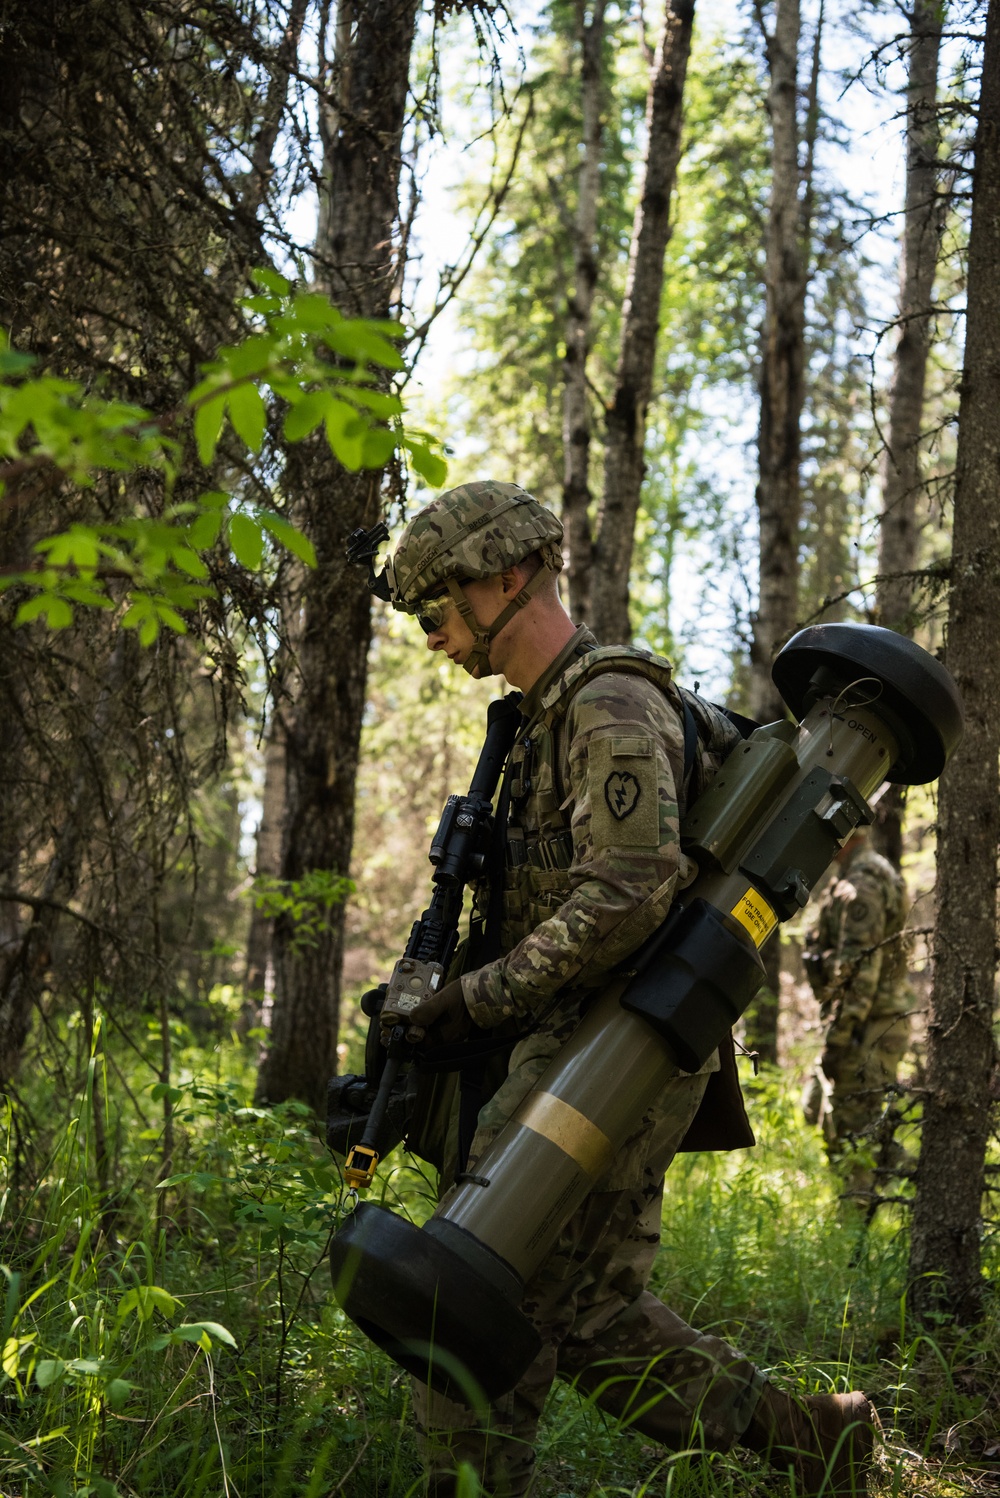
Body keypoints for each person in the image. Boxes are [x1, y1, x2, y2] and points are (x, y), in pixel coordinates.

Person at [376, 480, 875, 1498]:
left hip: (614, 1041)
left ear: (505, 581)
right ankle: (810, 1439)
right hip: (573, 1036)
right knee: (589, 1318)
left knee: (483, 1276)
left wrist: (475, 1000)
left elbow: (627, 897)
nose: (432, 637)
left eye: (438, 611)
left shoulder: (608, 706)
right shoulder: (534, 721)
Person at [803, 831, 912, 1200]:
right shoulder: (862, 873)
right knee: (834, 1114)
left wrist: (840, 1035)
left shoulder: (861, 883)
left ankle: (856, 1218)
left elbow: (859, 970)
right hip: (871, 1022)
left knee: (853, 1133)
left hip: (867, 1026)